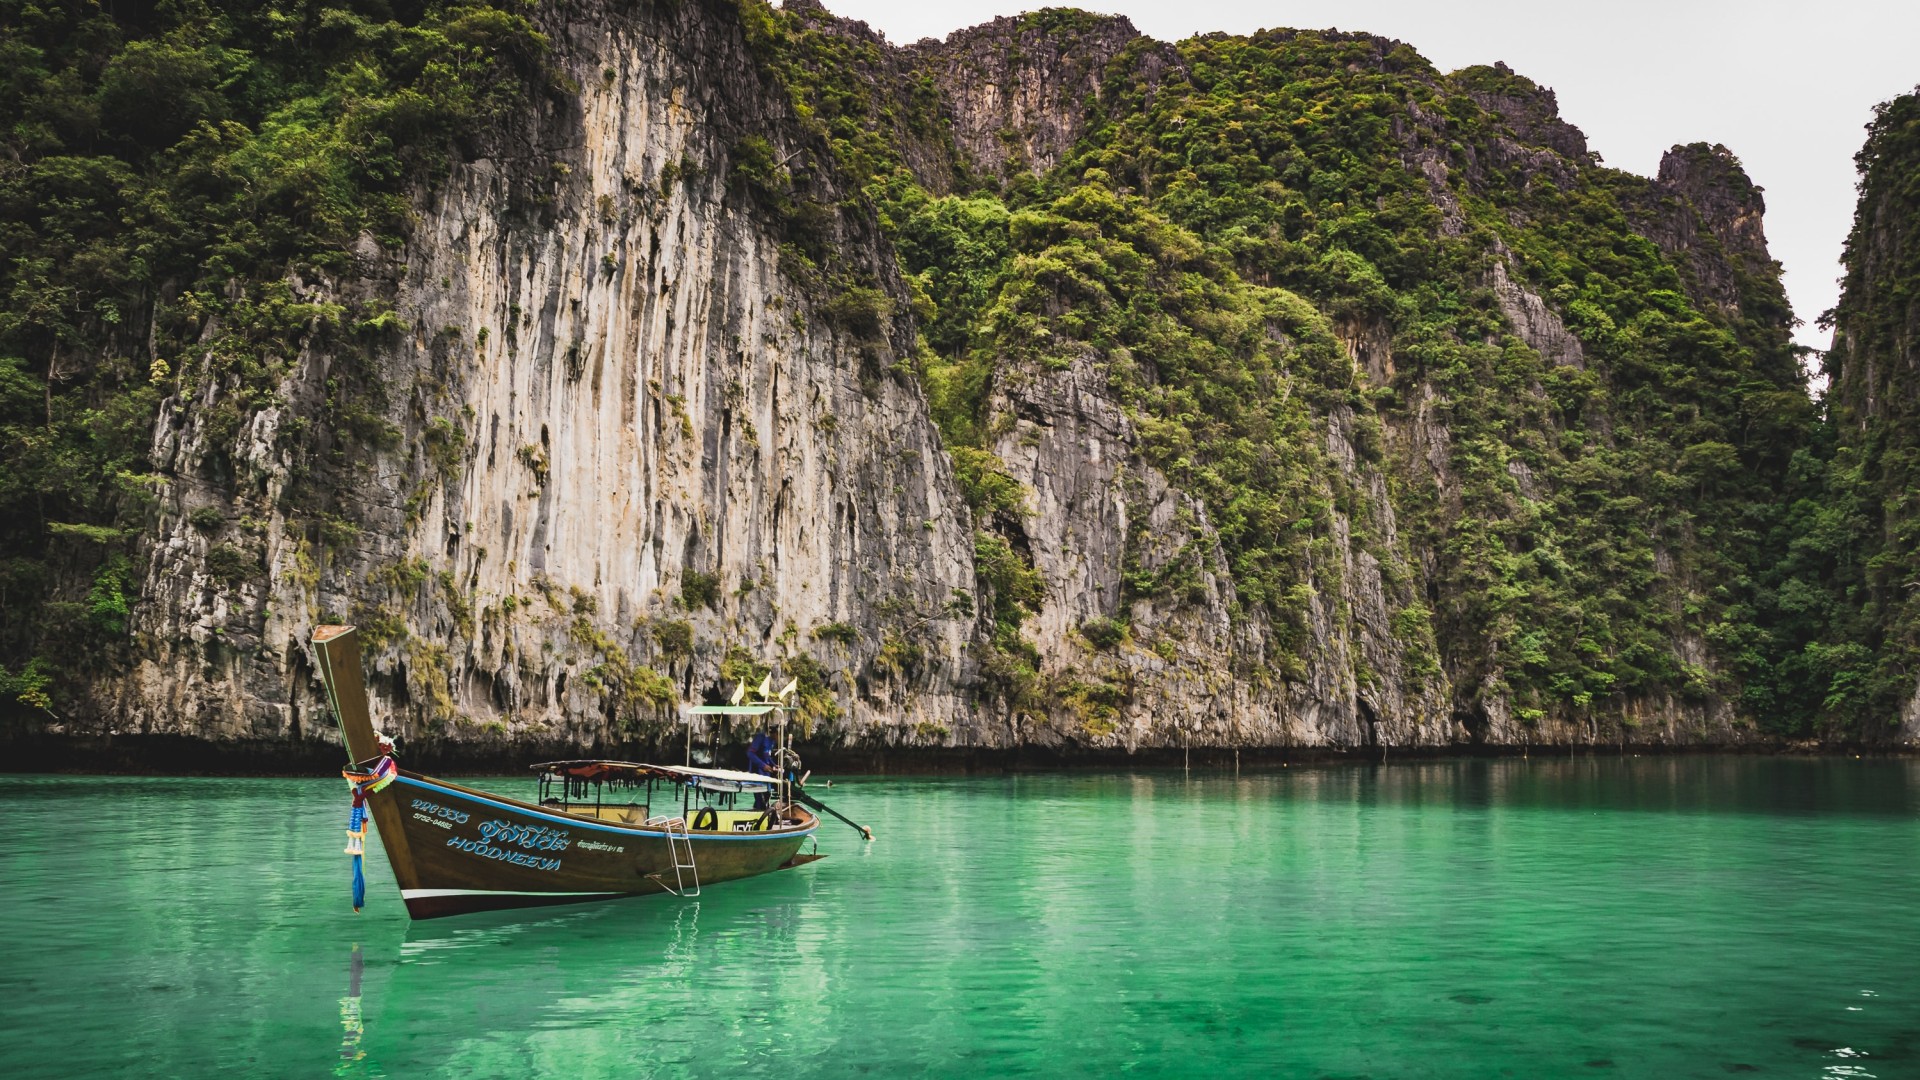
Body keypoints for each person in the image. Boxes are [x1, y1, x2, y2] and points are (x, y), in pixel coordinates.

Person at [747, 730, 776, 810]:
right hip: (757, 773)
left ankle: (759, 810)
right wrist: (763, 765)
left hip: (766, 775)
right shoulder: (761, 737)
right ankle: (758, 812)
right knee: (760, 798)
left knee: (767, 795)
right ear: (774, 733)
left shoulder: (772, 741)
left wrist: (774, 765)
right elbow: (750, 753)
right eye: (779, 735)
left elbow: (767, 756)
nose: (780, 738)